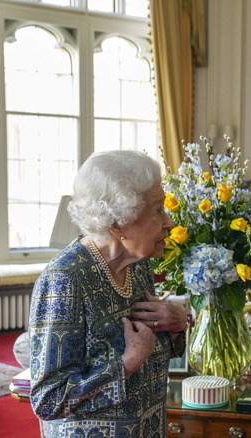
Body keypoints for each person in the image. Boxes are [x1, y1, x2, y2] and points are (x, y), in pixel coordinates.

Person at [28, 150, 188, 437]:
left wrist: (176, 326)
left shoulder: (137, 265)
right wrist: (128, 362)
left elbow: (151, 347)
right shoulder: (65, 281)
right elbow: (48, 399)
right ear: (117, 223)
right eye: (156, 211)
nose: (169, 222)